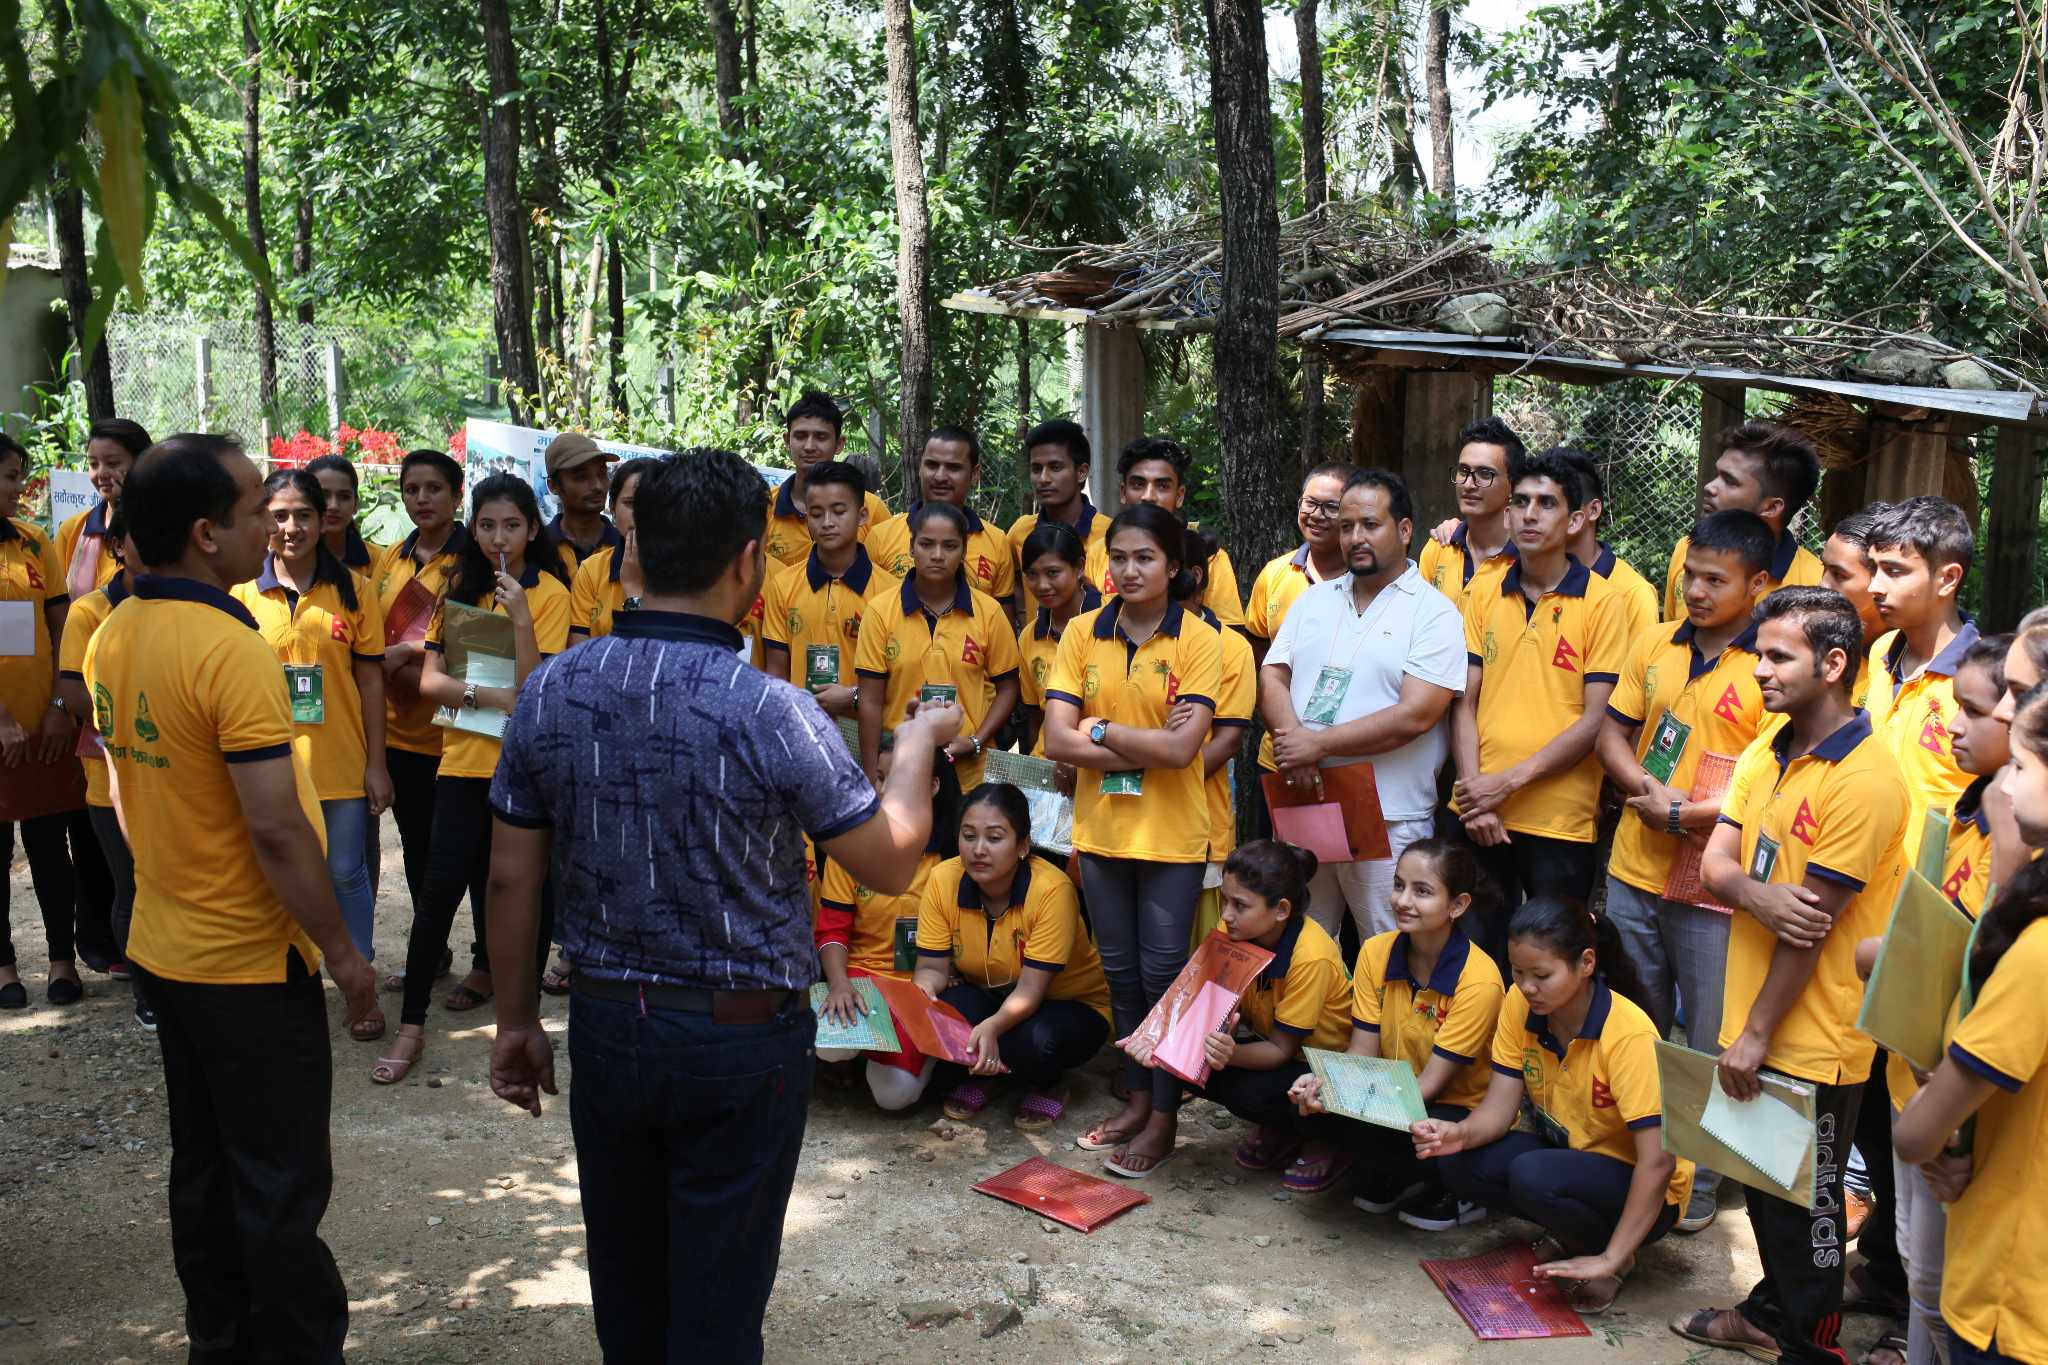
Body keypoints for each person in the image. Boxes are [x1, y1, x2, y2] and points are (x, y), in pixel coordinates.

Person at [480, 446, 964, 1363]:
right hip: (741, 1044)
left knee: (627, 1286)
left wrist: (515, 1022)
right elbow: (894, 858)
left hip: (610, 1026)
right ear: (749, 562)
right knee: (720, 1297)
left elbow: (511, 876)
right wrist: (915, 748)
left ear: (634, 552)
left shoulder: (549, 692)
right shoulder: (774, 709)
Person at [83, 432, 377, 1362]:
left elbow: (129, 797)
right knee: (280, 1183)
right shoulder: (229, 647)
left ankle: (220, 1339)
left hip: (168, 948)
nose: (278, 522)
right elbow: (280, 830)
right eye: (258, 508)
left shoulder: (115, 631)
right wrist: (343, 952)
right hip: (250, 965)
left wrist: (170, 885)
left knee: (204, 1165)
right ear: (208, 533)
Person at [1673, 587, 1910, 1365]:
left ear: (1834, 663)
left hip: (1812, 1032)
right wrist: (1756, 894)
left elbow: (1810, 930)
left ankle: (1813, 1345)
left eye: (1778, 656)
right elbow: (1715, 863)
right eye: (1759, 652)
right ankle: (1770, 1311)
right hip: (1756, 1016)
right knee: (1769, 1189)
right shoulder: (1767, 745)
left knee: (1805, 1202)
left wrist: (1756, 1034)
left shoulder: (1867, 779)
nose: (1760, 670)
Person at [1593, 509, 1775, 1234]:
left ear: (1757, 584)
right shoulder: (1656, 641)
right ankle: (1638, 1160)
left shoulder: (1769, 661)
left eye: (1715, 580)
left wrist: (1693, 816)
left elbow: (1775, 769)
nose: (1696, 591)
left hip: (1713, 882)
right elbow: (1613, 728)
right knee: (1640, 1020)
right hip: (1636, 865)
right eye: (1689, 575)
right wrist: (1641, 785)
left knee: (1706, 1037)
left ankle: (1701, 1185)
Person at [1041, 504, 1223, 1177]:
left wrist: (1097, 731)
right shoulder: (1084, 632)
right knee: (1122, 976)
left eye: (1145, 557)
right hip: (1103, 832)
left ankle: (1166, 1118)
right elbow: (1054, 737)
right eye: (1118, 557)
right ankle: (1137, 1100)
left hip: (1173, 837)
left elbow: (1182, 752)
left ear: (1173, 566)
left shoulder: (1200, 638)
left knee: (1164, 977)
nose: (1129, 569)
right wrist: (1122, 739)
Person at [374, 472, 572, 1083]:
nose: (497, 537)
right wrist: (490, 696)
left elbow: (539, 693)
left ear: (532, 529)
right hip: (460, 763)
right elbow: (429, 681)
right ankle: (412, 1028)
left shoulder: (550, 595)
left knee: (525, 896)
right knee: (437, 893)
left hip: (523, 771)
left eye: (511, 525)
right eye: (487, 524)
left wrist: (518, 618)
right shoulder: (456, 588)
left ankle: (525, 1024)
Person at [1857, 634, 2021, 1365]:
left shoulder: (2018, 856)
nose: (1952, 725)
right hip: (1914, 1074)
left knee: (1946, 1283)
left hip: (1961, 1102)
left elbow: (1987, 987)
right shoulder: (1955, 815)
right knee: (1921, 1273)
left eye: (1977, 710)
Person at [1413, 898, 1691, 1315]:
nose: (1527, 987)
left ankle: (1612, 1256)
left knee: (1533, 1174)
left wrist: (1611, 1259)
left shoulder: (1629, 1037)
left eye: (1542, 975)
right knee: (1457, 1161)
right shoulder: (1519, 1004)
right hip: (1573, 1157)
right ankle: (1573, 1236)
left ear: (1586, 964)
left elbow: (1658, 1163)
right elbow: (1498, 1110)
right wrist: (1460, 1133)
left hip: (1645, 1187)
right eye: (1518, 972)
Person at [1260, 467, 1465, 941]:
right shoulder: (1315, 601)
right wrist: (1294, 741)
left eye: (1370, 525)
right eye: (1347, 526)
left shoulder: (1433, 613)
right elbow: (1273, 672)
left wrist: (1313, 744)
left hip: (1388, 811)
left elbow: (1416, 715)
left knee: (1388, 942)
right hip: (1307, 797)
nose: (1355, 537)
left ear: (1406, 530)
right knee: (1301, 937)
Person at [1450, 452, 1630, 957]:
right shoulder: (1484, 587)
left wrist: (1505, 784)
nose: (1530, 514)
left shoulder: (1603, 602)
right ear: (1506, 515)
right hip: (1478, 812)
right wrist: (1472, 794)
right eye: (1521, 503)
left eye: (1546, 504)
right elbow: (1463, 701)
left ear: (1574, 520)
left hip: (1559, 819)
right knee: (1475, 955)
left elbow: (1597, 719)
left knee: (1553, 957)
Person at [232, 469, 390, 1038]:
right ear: (262, 520)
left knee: (347, 873)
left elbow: (371, 683)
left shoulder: (355, 589)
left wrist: (377, 764)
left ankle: (360, 985)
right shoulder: (240, 593)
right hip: (265, 763)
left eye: (303, 514)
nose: (291, 527)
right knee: (268, 874)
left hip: (339, 759)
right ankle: (279, 985)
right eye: (278, 516)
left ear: (322, 517)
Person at [1291, 837, 1505, 1226]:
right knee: (1308, 1093)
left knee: (1391, 1124)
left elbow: (1432, 1084)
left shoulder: (1478, 980)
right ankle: (1401, 1176)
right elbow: (1362, 1050)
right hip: (1395, 1090)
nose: (1403, 901)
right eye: (1399, 885)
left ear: (1458, 905)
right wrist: (1325, 1082)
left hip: (1453, 1105)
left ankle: (1455, 1191)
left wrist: (1351, 1096)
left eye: (1422, 891)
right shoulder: (1375, 952)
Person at [1892, 838, 2048, 1365]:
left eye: (2020, 767)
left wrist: (1937, 1134)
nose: (2004, 787)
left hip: (2012, 1298)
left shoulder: (2038, 954)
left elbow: (1914, 1136)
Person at [912, 783, 1112, 1127]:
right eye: (968, 835)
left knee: (1033, 1043)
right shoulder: (943, 878)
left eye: (994, 838)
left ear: (1022, 846)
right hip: (991, 995)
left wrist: (990, 1028)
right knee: (946, 1013)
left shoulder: (1052, 890)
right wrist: (922, 993)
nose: (978, 850)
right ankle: (988, 1075)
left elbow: (1031, 992)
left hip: (1067, 1004)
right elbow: (931, 967)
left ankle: (1050, 1084)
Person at [1170, 840, 1353, 1192]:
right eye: (1226, 900)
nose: (1225, 915)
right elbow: (1202, 1006)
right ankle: (1283, 1128)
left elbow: (1281, 1051)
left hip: (1325, 1064)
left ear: (1281, 910)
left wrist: (1227, 1053)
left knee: (1244, 1086)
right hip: (1273, 1047)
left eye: (1240, 905)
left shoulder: (1310, 955)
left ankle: (1326, 1140)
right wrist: (1158, 1038)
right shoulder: (1232, 933)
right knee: (1186, 1065)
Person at [0, 432, 106, 1007]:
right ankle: (4, 969)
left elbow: (59, 626)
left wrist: (57, 705)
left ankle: (62, 963)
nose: (20, 487)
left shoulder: (32, 540)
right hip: (1, 731)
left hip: (41, 726)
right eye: (11, 476)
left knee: (49, 844)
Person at [814, 736, 961, 1111]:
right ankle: (862, 1053)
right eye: (879, 778)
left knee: (893, 1096)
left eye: (896, 779)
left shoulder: (955, 856)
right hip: (862, 979)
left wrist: (950, 972)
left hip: (922, 988)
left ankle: (923, 1059)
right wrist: (840, 983)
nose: (882, 789)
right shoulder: (852, 847)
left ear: (932, 785)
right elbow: (831, 929)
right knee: (827, 1046)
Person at [369, 449, 467, 993]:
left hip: (454, 734)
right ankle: (433, 953)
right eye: (412, 489)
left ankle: (485, 958)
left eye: (434, 489)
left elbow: (473, 638)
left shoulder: (469, 559)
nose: (422, 499)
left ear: (457, 495)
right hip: (399, 731)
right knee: (416, 851)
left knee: (465, 853)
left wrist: (406, 654)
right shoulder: (391, 558)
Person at [53, 503, 148, 1026]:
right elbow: (70, 688)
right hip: (107, 780)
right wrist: (133, 719)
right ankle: (147, 994)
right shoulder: (90, 611)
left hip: (172, 775)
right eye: (141, 539)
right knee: (130, 884)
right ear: (117, 549)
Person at [853, 500, 1019, 789]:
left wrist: (975, 741)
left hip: (971, 775)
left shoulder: (989, 612)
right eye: (927, 544)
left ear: (964, 551)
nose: (937, 555)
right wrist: (872, 774)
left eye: (950, 546)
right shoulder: (880, 612)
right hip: (901, 768)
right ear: (911, 548)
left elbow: (1008, 687)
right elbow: (870, 700)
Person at [1865, 496, 1981, 859]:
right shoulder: (1881, 651)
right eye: (1874, 568)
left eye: (1894, 571)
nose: (1874, 586)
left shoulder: (1987, 682)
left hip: (1931, 898)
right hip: (1860, 880)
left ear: (1947, 579)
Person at [761, 461, 900, 716]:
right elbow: (777, 672)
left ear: (862, 516)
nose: (827, 522)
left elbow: (899, 678)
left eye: (838, 511)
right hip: (799, 727)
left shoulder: (891, 593)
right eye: (815, 514)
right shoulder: (783, 585)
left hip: (865, 731)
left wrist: (854, 695)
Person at [1660, 420, 1824, 621]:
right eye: (1717, 475)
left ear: (1771, 507)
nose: (1710, 487)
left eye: (1730, 481)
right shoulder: (1686, 550)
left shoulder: (1815, 584)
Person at [1176, 529, 1256, 935]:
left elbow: (1226, 740)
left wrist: (1161, 774)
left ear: (1190, 574)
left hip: (1201, 821)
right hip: (1125, 823)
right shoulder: (1113, 634)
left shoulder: (1231, 647)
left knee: (1200, 952)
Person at [866, 427, 1016, 605]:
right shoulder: (881, 536)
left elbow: (1001, 625)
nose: (940, 476)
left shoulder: (997, 542)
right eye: (932, 465)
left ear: (974, 474)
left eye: (953, 467)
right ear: (920, 467)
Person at [1115, 435, 1244, 627]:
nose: (1148, 496)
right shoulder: (1099, 551)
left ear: (1179, 495)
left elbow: (1230, 638)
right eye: (1138, 484)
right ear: (1123, 492)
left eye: (1162, 486)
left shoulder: (1209, 556)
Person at [763, 390, 889, 565]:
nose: (809, 446)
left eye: (821, 437)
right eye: (800, 436)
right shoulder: (764, 507)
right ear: (787, 440)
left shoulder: (871, 509)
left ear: (839, 444)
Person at [1552, 448, 1660, 643]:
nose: (1533, 514)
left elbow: (1640, 671)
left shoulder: (1634, 595)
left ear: (1593, 510)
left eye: (1551, 503)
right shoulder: (1530, 578)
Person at [1015, 521, 1100, 763]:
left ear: (1079, 567)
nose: (1042, 585)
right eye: (1032, 575)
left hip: (1100, 762)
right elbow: (1035, 714)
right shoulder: (1030, 637)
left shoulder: (1111, 622)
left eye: (1053, 573)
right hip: (1048, 769)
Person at [1418, 416, 1524, 607]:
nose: (1468, 484)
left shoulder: (1526, 559)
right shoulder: (1439, 548)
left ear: (1513, 486)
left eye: (1485, 474)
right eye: (1464, 471)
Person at [567, 456, 662, 643]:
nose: (641, 515)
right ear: (612, 508)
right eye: (631, 504)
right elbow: (578, 655)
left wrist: (634, 592)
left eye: (653, 504)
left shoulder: (684, 574)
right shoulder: (591, 570)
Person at [1006, 418, 1109, 590]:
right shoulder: (1020, 532)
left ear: (1082, 472)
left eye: (1055, 468)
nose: (1043, 479)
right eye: (1036, 469)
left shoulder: (1109, 535)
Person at [56, 416, 151, 597]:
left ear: (142, 463)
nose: (101, 473)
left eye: (113, 463)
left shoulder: (164, 529)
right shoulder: (73, 531)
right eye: (93, 464)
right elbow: (57, 604)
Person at [540, 432, 622, 573]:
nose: (597, 485)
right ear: (553, 486)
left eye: (602, 474)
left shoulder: (625, 547)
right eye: (581, 477)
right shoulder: (539, 548)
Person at [304, 453, 379, 572]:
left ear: (355, 504)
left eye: (344, 497)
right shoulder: (291, 562)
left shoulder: (381, 561)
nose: (333, 506)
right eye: (323, 495)